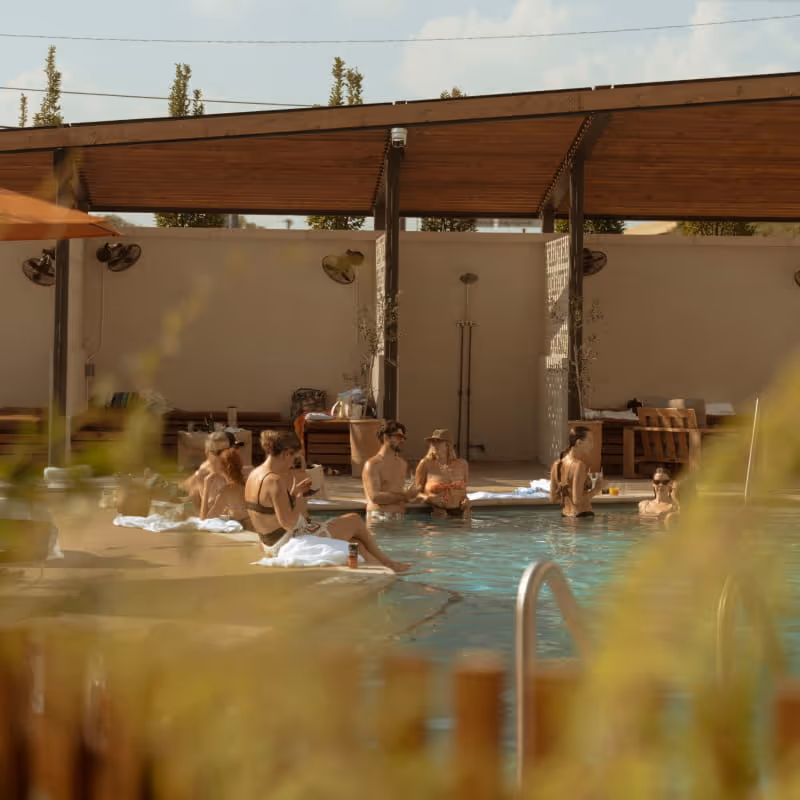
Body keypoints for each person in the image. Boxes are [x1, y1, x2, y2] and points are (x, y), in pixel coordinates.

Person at [245, 430, 411, 572]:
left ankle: (385, 570)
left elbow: (268, 511)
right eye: (293, 458)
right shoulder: (274, 480)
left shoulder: (255, 474)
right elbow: (289, 523)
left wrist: (294, 494)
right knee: (354, 520)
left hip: (269, 543)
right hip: (286, 543)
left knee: (355, 543)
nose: (292, 463)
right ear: (286, 453)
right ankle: (388, 562)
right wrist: (301, 497)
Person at [363, 420, 419, 523]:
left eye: (404, 438)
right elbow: (375, 497)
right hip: (379, 517)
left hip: (399, 517)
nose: (402, 440)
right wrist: (405, 496)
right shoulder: (372, 464)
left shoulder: (402, 464)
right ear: (386, 437)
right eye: (398, 437)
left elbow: (397, 491)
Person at [549, 426, 605, 518]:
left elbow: (553, 498)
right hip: (581, 516)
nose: (592, 445)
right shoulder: (579, 465)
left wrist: (567, 492)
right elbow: (577, 501)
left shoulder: (557, 464)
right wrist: (597, 489)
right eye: (590, 441)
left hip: (565, 516)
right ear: (579, 443)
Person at [183, 431, 243, 512]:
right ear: (208, 454)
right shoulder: (202, 477)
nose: (224, 456)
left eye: (227, 451)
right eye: (219, 452)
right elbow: (200, 512)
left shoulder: (236, 470)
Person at [415, 429, 470, 518]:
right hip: (438, 513)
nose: (434, 444)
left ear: (448, 445)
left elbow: (464, 490)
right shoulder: (425, 464)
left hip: (462, 512)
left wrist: (466, 499)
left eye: (438, 441)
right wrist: (430, 499)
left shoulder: (462, 464)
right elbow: (416, 493)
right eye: (433, 442)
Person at [199, 447, 251, 529]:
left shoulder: (227, 491)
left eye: (215, 462)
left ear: (222, 468)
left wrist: (206, 487)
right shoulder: (248, 480)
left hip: (246, 530)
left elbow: (204, 520)